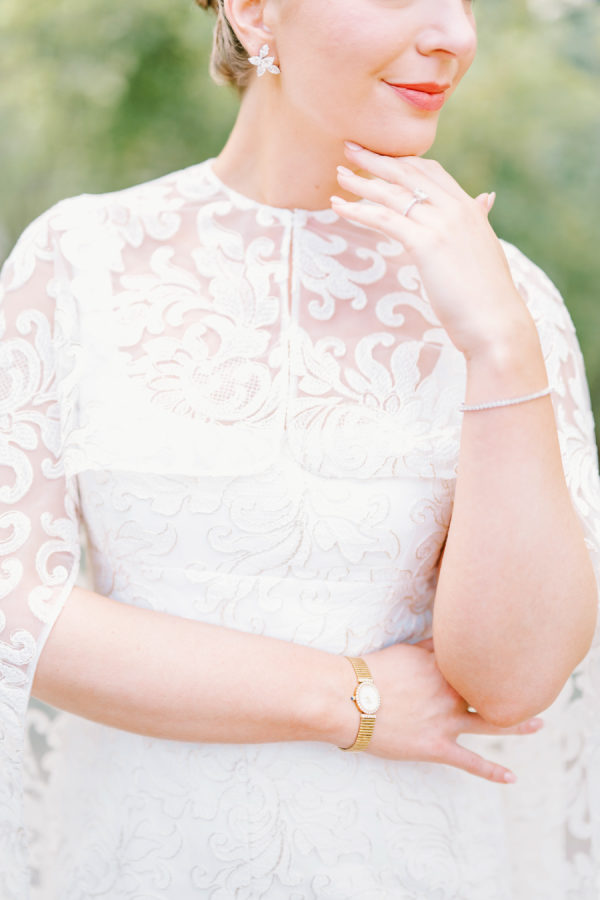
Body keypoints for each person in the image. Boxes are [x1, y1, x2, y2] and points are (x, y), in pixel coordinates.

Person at [1, 0, 600, 896]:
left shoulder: (510, 299)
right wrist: (350, 699)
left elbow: (515, 681)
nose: (455, 35)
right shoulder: (79, 260)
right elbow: (17, 608)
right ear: (254, 10)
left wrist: (499, 344)